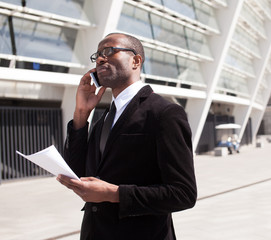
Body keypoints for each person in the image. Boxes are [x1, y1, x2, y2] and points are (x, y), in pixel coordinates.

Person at [56, 32, 197, 240]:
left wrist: (114, 194)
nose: (101, 58)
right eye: (97, 56)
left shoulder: (164, 113)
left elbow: (183, 193)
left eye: (109, 51)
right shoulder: (103, 119)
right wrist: (81, 114)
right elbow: (78, 171)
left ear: (136, 61)